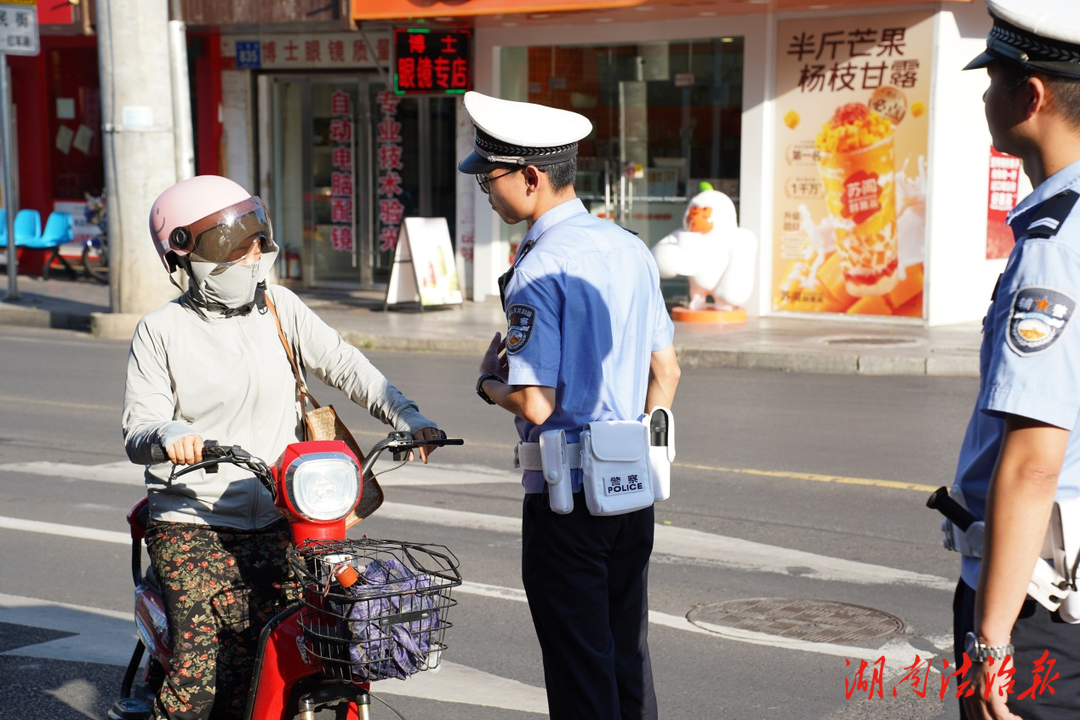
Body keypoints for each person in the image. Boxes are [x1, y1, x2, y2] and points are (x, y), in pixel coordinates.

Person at [121, 175, 443, 720]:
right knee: (200, 684)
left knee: (316, 642)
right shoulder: (160, 331)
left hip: (283, 512)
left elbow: (343, 365)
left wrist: (407, 415)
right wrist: (171, 436)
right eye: (233, 249)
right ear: (185, 254)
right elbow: (139, 428)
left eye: (256, 243)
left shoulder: (280, 308)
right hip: (195, 521)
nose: (252, 258)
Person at [459, 91, 681, 720]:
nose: (487, 193)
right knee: (627, 655)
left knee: (580, 667)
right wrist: (644, 449)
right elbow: (666, 370)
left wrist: (486, 384)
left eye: (490, 180)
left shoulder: (540, 267)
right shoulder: (630, 247)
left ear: (530, 178)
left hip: (569, 498)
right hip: (631, 487)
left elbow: (535, 401)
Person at [951, 2, 1080, 718]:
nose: (982, 95)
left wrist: (992, 642)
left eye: (994, 77)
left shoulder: (1055, 246)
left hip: (1040, 604)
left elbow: (1033, 460)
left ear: (1030, 96)